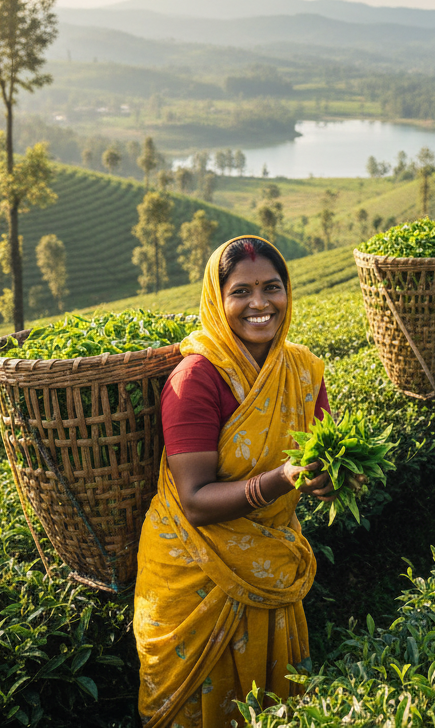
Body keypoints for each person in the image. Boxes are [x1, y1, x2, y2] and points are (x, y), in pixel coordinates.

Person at [132, 236, 340, 728]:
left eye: (272, 287)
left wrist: (325, 480)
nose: (260, 304)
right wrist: (284, 478)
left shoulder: (304, 370)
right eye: (241, 292)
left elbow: (318, 456)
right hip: (194, 571)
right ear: (217, 298)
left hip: (267, 558)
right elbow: (197, 501)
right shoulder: (194, 380)